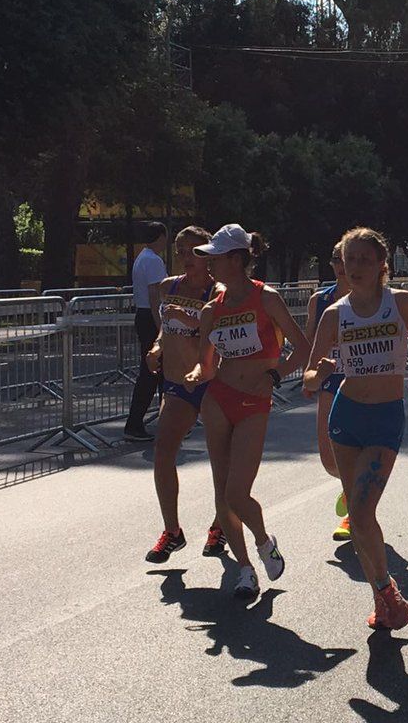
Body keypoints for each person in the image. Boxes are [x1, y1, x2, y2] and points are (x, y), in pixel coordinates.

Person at [303, 227, 408, 630]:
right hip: (346, 417)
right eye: (351, 260)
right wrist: (319, 373)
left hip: (384, 417)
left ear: (383, 264)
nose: (357, 267)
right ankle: (381, 597)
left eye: (366, 259)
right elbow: (309, 377)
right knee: (362, 518)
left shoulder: (400, 303)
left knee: (362, 512)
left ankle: (387, 591)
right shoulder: (335, 314)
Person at [185, 224, 311, 599]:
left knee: (238, 493)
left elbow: (302, 348)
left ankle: (262, 540)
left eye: (216, 259)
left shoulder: (267, 299)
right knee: (222, 494)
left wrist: (274, 376)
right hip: (219, 398)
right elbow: (206, 365)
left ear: (238, 260)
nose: (209, 265)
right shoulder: (212, 309)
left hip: (254, 403)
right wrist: (195, 374)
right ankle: (245, 570)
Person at [142, 226, 224, 563]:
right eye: (181, 251)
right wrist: (156, 347)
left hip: (211, 383)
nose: (186, 258)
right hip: (177, 385)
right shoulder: (167, 287)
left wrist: (188, 321)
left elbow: (216, 335)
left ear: (206, 256)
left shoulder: (217, 292)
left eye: (193, 251)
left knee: (222, 460)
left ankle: (221, 525)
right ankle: (172, 531)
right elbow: (166, 328)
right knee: (163, 452)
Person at [305, 241, 351, 542]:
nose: (341, 265)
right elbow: (310, 343)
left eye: (346, 259)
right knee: (328, 459)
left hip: (362, 380)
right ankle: (349, 488)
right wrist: (311, 376)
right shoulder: (319, 301)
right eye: (336, 259)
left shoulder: (372, 301)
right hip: (329, 380)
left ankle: (353, 515)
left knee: (354, 449)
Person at [125, 221, 168, 441]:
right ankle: (134, 424)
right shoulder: (153, 260)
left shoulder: (143, 257)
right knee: (151, 373)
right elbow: (155, 296)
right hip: (151, 318)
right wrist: (162, 327)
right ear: (160, 236)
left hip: (143, 315)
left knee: (158, 372)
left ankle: (168, 418)